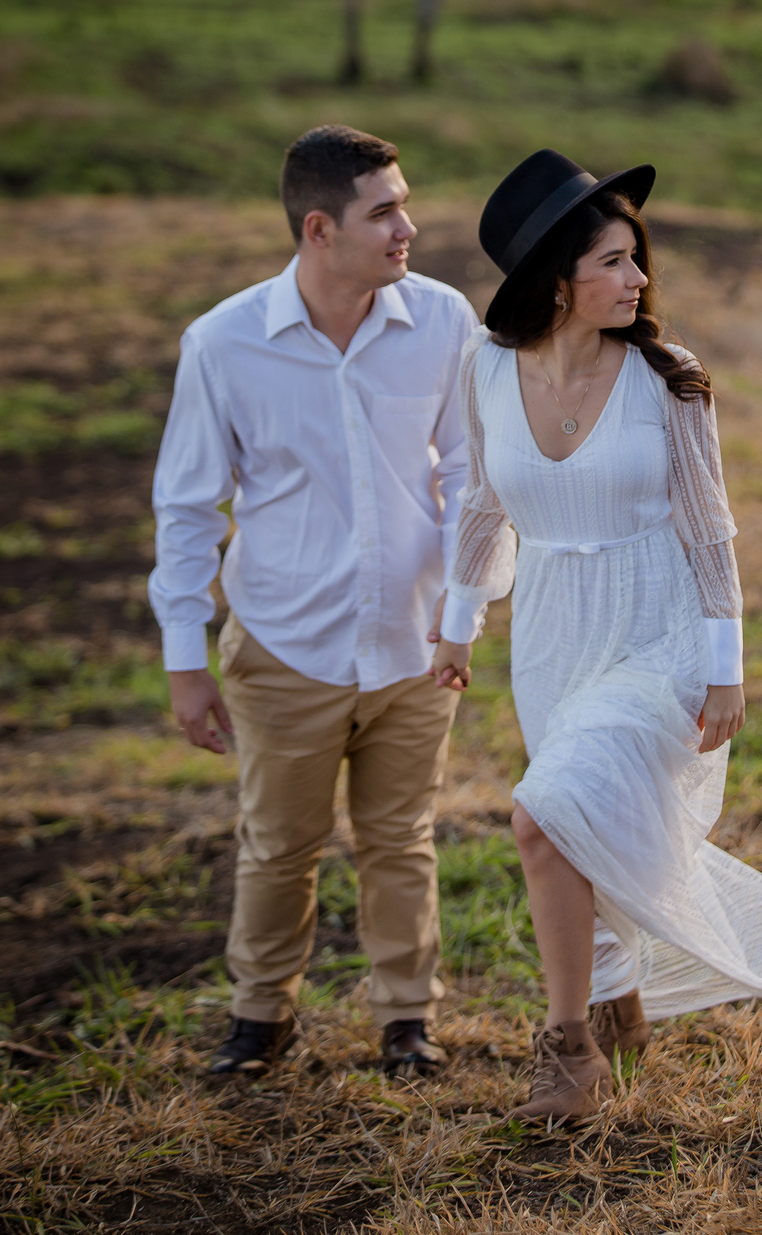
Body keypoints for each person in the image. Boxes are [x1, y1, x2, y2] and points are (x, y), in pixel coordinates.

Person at [426, 149, 762, 1124]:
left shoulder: (668, 377)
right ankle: (616, 997)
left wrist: (726, 668)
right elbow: (483, 505)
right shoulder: (487, 367)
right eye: (613, 262)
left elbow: (708, 527)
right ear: (555, 280)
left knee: (542, 816)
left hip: (659, 629)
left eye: (635, 258)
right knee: (578, 827)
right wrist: (458, 628)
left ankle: (567, 1050)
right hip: (553, 634)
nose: (638, 279)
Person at [150, 124, 479, 1078]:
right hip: (284, 645)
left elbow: (472, 476)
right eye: (385, 213)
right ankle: (261, 1018)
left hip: (415, 643)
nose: (408, 227)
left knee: (401, 841)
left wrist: (463, 609)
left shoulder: (444, 320)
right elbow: (188, 508)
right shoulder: (224, 344)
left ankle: (407, 1020)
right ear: (319, 229)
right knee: (278, 846)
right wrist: (185, 661)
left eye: (404, 205)